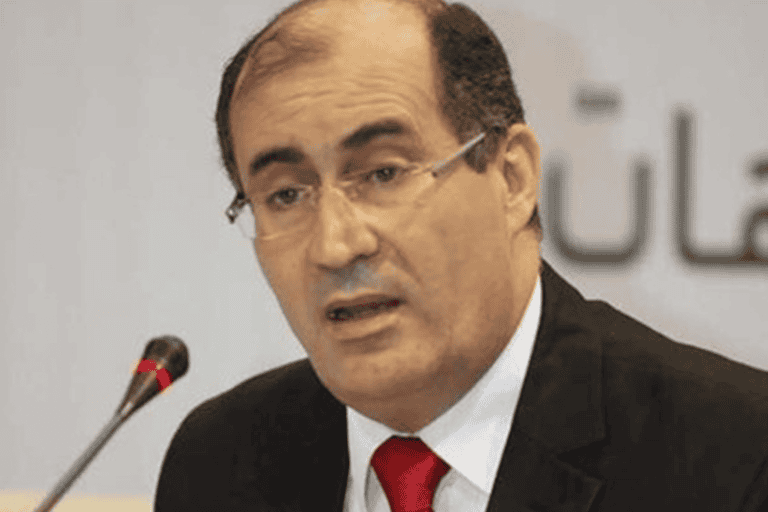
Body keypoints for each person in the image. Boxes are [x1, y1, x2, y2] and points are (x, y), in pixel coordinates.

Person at [155, 1, 768, 510]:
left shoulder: (735, 457)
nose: (336, 245)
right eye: (286, 195)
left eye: (383, 173)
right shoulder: (219, 465)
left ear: (512, 178)